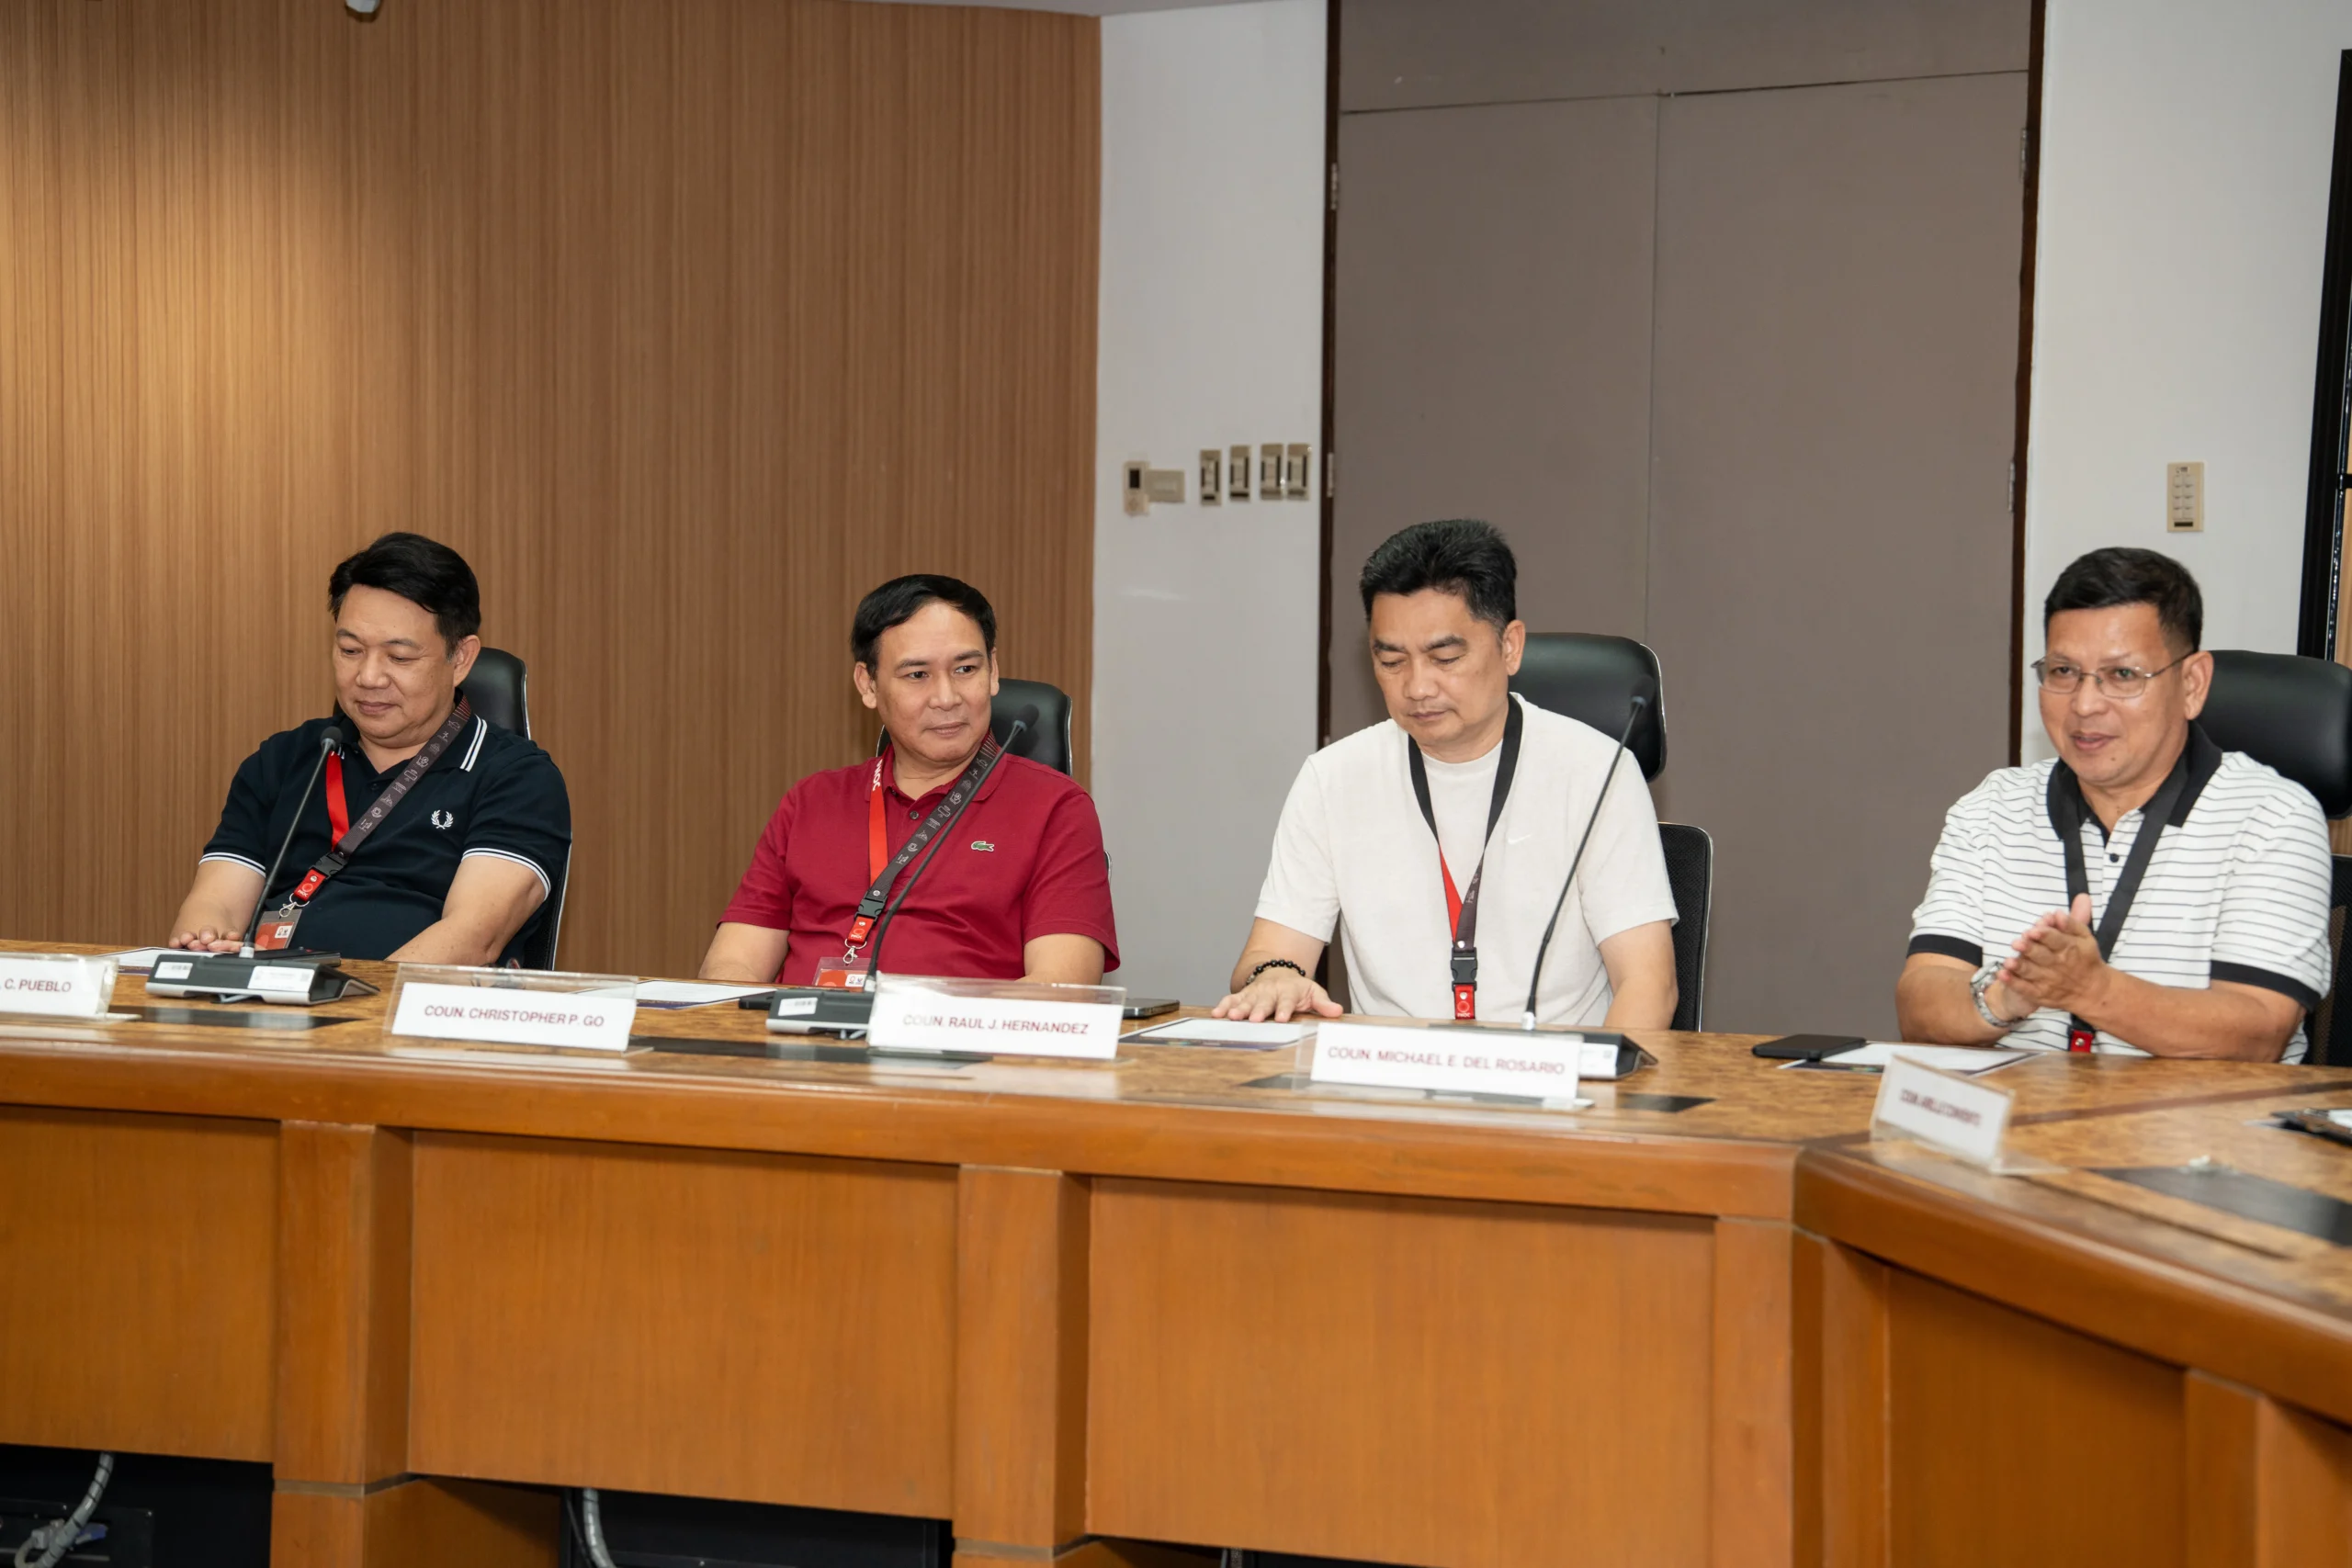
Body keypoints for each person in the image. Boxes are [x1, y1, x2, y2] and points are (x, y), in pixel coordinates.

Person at [1213, 519, 1678, 1026]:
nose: (1417, 687)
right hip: (1388, 1069)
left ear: (1510, 647)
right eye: (1392, 662)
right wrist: (1276, 976)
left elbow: (1648, 984)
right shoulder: (1334, 778)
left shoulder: (1597, 773)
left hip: (1553, 1068)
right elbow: (1269, 955)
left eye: (1445, 658)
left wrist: (1592, 1075)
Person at [1899, 547, 2331, 1060]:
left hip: (2199, 1113)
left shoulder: (2274, 818)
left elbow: (2258, 1033)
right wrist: (2004, 998)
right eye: (2063, 670)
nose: (2084, 704)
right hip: (2017, 1107)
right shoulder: (1992, 808)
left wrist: (2090, 990)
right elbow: (1920, 1004)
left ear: (2192, 684)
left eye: (2122, 675)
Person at [168, 533, 571, 965]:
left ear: (460, 659)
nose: (368, 677)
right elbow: (215, 902)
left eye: (399, 657)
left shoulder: (517, 779)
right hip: (271, 998)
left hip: (412, 1003)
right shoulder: (284, 760)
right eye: (351, 650)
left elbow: (472, 938)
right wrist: (206, 947)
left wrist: (348, 993)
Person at [700, 574, 1118, 987]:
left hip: (959, 1032)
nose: (947, 698)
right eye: (917, 675)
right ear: (868, 685)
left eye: (966, 668)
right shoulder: (811, 802)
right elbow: (730, 967)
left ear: (993, 672)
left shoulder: (1055, 808)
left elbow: (1061, 988)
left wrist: (917, 1019)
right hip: (807, 1027)